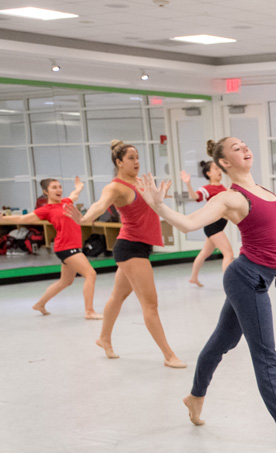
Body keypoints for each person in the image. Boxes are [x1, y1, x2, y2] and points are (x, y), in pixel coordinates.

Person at [136, 139, 276, 449]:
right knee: (265, 355)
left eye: (245, 145)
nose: (245, 149)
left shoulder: (263, 190)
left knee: (223, 341)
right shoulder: (230, 198)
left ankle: (195, 397)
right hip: (248, 278)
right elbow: (188, 224)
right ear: (224, 163)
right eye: (236, 148)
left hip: (253, 277)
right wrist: (158, 206)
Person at [66, 140, 184, 367]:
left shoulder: (139, 182)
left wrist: (161, 196)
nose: (136, 162)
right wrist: (83, 219)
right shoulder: (116, 187)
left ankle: (104, 338)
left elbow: (149, 205)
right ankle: (169, 355)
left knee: (118, 296)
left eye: (137, 157)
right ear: (119, 162)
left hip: (139, 247)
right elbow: (100, 205)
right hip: (131, 248)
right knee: (150, 305)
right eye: (131, 158)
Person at [8, 177, 101, 319]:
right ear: (46, 191)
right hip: (66, 248)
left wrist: (79, 187)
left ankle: (40, 304)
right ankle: (89, 311)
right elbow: (22, 219)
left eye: (59, 186)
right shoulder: (46, 209)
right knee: (90, 274)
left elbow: (74, 195)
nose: (59, 190)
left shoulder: (66, 202)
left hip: (71, 246)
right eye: (54, 187)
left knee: (66, 281)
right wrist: (3, 218)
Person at [180, 154, 235, 287]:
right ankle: (230, 284)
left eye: (219, 168)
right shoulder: (207, 189)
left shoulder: (223, 188)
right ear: (209, 173)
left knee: (206, 252)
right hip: (213, 226)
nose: (219, 171)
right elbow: (195, 197)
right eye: (216, 168)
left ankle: (193, 277)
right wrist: (188, 184)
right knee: (228, 253)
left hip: (217, 226)